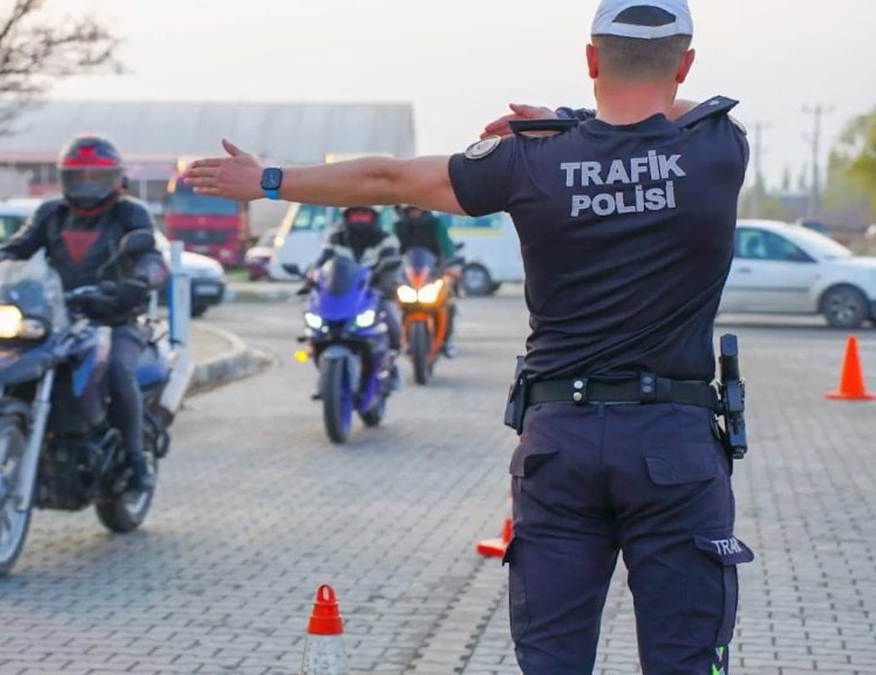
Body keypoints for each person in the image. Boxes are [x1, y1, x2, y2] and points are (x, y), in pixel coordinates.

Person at [184, 1, 751, 672]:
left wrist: (269, 179)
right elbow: (661, 115)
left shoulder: (526, 160)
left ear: (591, 60)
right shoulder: (718, 147)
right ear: (685, 63)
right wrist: (566, 117)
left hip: (559, 446)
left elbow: (389, 178)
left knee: (551, 661)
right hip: (674, 448)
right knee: (687, 659)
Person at [0, 135, 168, 493]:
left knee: (115, 369)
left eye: (95, 178)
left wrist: (140, 281)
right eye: (77, 177)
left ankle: (136, 460)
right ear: (64, 179)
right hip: (59, 315)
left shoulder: (129, 213)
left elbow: (152, 256)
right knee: (15, 352)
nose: (86, 186)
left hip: (116, 316)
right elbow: (19, 247)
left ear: (115, 179)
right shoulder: (52, 213)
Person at [306, 205, 404, 385]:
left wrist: (386, 284)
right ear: (346, 217)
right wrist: (312, 276)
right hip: (343, 296)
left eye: (364, 214)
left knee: (392, 322)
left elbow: (392, 263)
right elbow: (323, 262)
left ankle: (390, 364)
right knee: (315, 324)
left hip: (373, 293)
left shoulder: (386, 238)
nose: (359, 218)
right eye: (355, 214)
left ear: (373, 217)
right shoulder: (335, 237)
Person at [393, 205, 458, 357]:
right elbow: (391, 250)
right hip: (407, 277)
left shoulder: (435, 224)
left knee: (449, 302)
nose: (414, 211)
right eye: (410, 208)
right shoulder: (398, 227)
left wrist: (452, 264)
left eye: (417, 207)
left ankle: (447, 341)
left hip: (433, 274)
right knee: (390, 303)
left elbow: (446, 246)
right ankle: (394, 343)